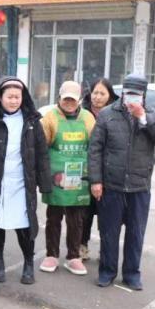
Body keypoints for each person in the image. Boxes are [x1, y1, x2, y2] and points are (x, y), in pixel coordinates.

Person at [88, 73, 155, 290]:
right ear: (122, 93)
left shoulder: (152, 114)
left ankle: (132, 274)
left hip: (139, 185)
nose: (131, 98)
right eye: (128, 94)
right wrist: (96, 180)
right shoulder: (107, 114)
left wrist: (143, 117)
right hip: (111, 185)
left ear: (143, 95)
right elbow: (95, 149)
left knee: (136, 233)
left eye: (136, 94)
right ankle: (107, 272)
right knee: (109, 232)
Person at [0, 77, 51, 285]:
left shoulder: (32, 122)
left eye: (17, 97)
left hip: (22, 183)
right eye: (9, 97)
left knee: (25, 226)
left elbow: (42, 154)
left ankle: (28, 264)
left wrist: (45, 184)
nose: (14, 101)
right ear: (0, 97)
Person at [39, 81, 96, 276]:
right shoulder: (50, 118)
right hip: (56, 177)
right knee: (53, 217)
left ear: (79, 100)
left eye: (73, 100)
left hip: (80, 176)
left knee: (76, 219)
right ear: (59, 98)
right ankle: (51, 255)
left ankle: (73, 257)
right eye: (66, 99)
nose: (69, 103)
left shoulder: (88, 118)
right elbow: (41, 147)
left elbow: (95, 147)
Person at [79, 79, 120, 260]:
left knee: (107, 214)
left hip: (109, 170)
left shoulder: (116, 114)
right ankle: (82, 245)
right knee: (85, 212)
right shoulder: (82, 112)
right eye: (95, 92)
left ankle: (106, 250)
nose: (97, 97)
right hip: (86, 169)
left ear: (109, 96)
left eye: (102, 93)